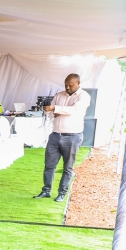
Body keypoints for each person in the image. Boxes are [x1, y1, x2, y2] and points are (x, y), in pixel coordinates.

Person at [36, 73, 91, 202]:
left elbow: (74, 110)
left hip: (73, 136)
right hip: (55, 134)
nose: (67, 87)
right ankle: (46, 190)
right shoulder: (59, 95)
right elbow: (50, 114)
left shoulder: (84, 96)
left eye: (70, 85)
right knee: (49, 165)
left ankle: (62, 193)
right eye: (66, 84)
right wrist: (52, 112)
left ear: (78, 83)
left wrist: (56, 109)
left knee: (68, 167)